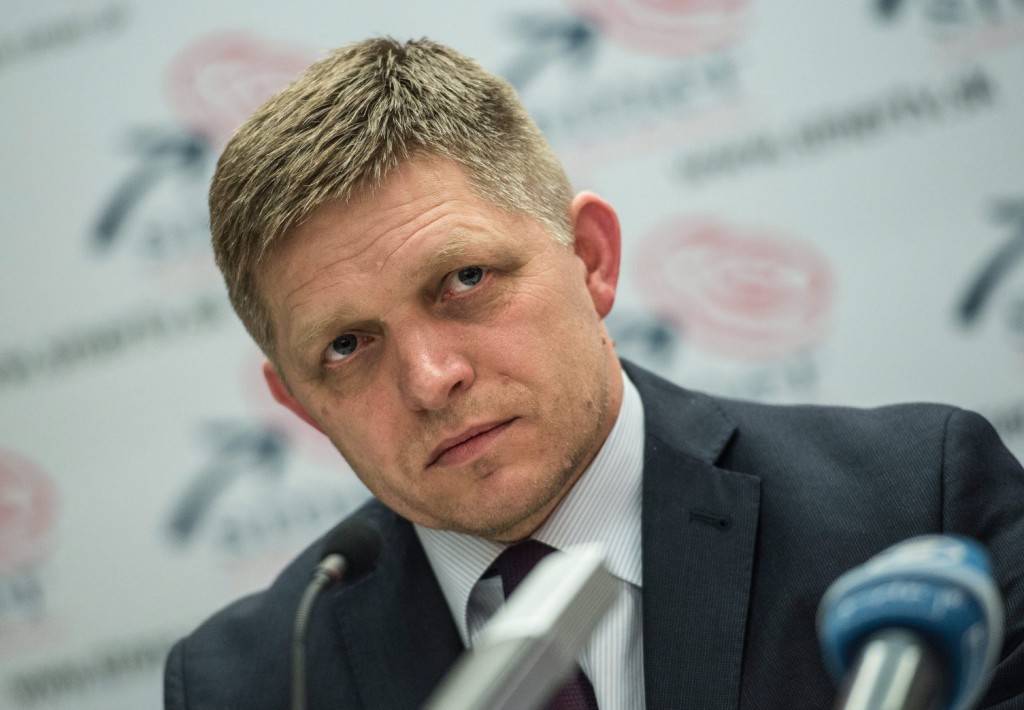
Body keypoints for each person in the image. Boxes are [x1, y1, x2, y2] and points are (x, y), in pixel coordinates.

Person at [164, 38, 1024, 710]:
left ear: (591, 258)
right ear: (300, 404)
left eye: (465, 279)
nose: (430, 379)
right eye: (348, 346)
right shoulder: (246, 686)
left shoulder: (917, 509)